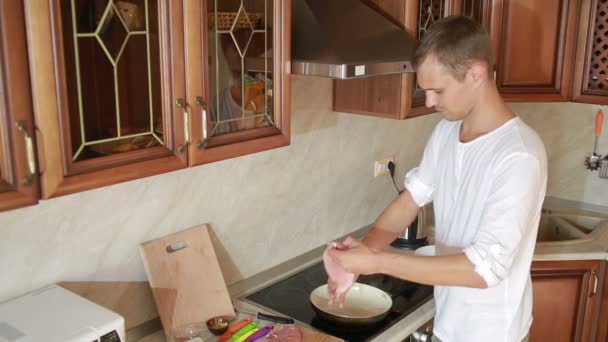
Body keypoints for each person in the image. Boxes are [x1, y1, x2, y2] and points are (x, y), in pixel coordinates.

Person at [327, 16, 547, 342]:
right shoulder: (446, 132)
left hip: (493, 334)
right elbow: (411, 198)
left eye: (438, 90)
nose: (430, 102)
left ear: (476, 73)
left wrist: (378, 261)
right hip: (449, 322)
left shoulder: (519, 156)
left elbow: (483, 269)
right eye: (426, 90)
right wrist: (360, 255)